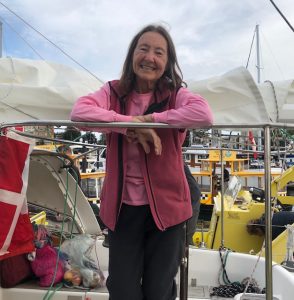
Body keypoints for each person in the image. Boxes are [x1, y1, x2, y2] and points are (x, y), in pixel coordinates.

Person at [71, 24, 213, 300]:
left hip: (168, 211)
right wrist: (130, 125)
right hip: (124, 210)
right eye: (143, 49)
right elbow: (80, 112)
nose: (150, 57)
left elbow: (203, 114)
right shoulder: (113, 92)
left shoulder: (175, 95)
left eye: (159, 52)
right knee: (122, 289)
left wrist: (153, 120)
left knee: (158, 291)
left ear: (167, 62)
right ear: (132, 55)